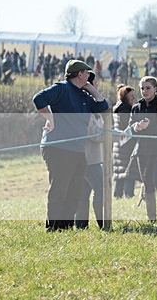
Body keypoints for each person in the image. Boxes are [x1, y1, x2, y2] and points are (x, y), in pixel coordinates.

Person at [32, 59, 109, 231]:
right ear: (80, 74)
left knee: (74, 191)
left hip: (78, 150)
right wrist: (50, 118)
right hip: (58, 148)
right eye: (88, 73)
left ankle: (65, 229)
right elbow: (38, 99)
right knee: (60, 189)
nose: (90, 76)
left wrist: (91, 89)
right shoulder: (61, 88)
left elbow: (103, 107)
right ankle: (53, 228)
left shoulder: (84, 95)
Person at [127, 76, 157, 221]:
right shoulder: (136, 108)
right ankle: (151, 218)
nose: (145, 91)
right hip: (142, 150)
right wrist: (136, 127)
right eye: (142, 88)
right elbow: (130, 130)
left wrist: (150, 126)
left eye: (148, 88)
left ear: (155, 89)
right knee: (147, 182)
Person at [75, 75, 105, 229]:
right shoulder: (85, 107)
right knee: (102, 190)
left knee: (83, 193)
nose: (96, 86)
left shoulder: (89, 106)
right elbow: (95, 134)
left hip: (89, 157)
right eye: (94, 84)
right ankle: (104, 225)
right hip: (89, 159)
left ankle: (81, 227)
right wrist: (111, 135)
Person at [112, 84, 139, 199]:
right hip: (128, 145)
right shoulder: (127, 110)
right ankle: (129, 195)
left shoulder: (117, 108)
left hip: (118, 146)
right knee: (129, 172)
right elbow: (129, 128)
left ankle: (117, 195)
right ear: (125, 97)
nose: (133, 98)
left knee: (119, 173)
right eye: (131, 96)